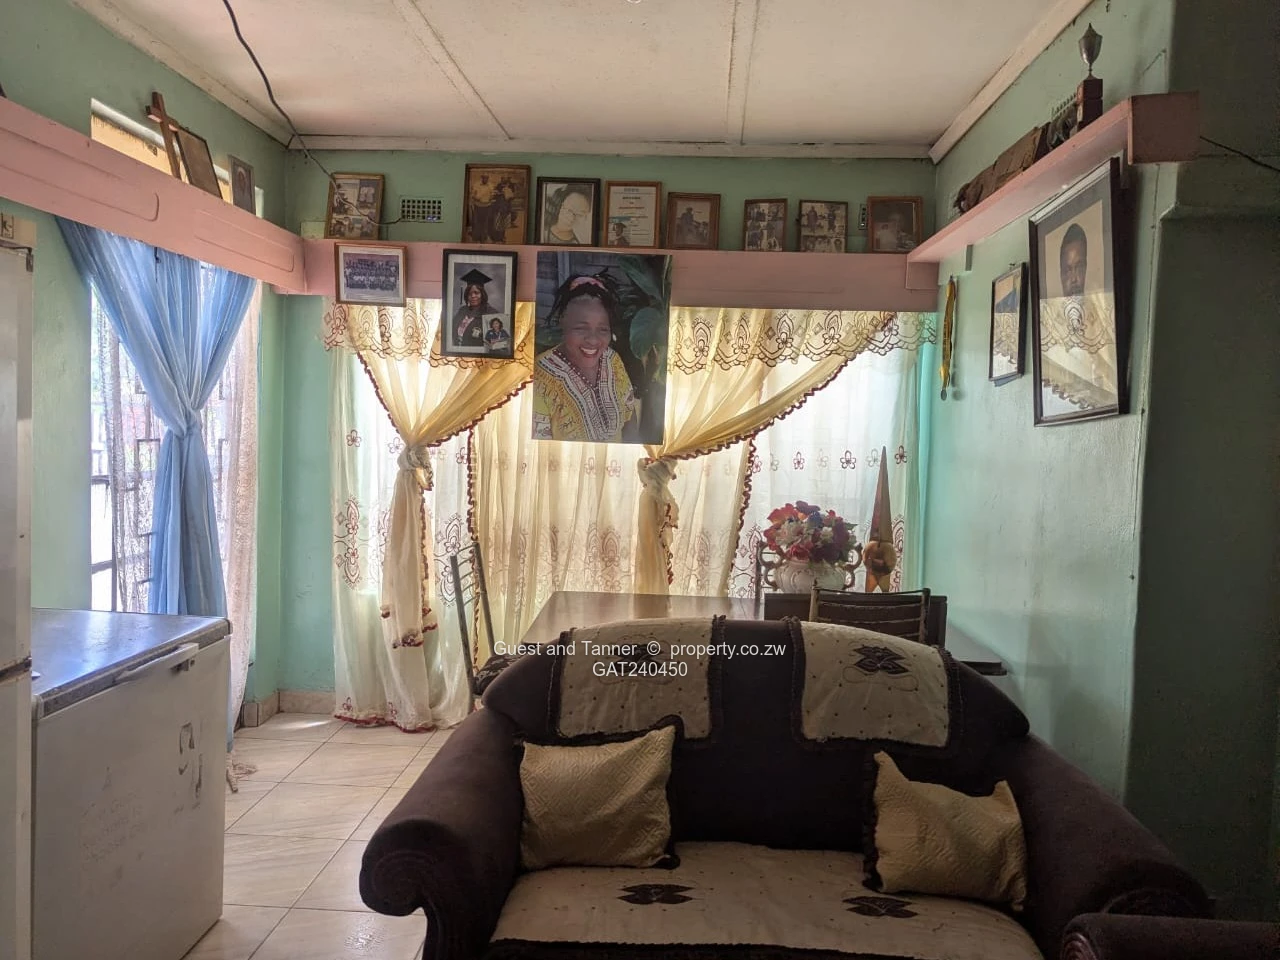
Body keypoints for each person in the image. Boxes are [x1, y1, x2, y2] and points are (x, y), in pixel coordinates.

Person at [533, 274, 638, 442]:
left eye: (603, 329)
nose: (593, 340)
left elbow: (629, 417)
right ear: (562, 322)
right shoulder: (539, 377)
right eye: (581, 328)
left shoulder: (612, 360)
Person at [1037, 222, 1117, 410]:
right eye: (1068, 270)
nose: (1073, 278)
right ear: (1061, 274)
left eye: (1079, 268)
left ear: (1087, 268)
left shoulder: (1103, 319)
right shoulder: (1049, 330)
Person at [450, 268, 508, 349]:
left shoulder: (491, 314)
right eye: (469, 293)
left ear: (482, 294)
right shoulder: (462, 311)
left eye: (476, 293)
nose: (473, 296)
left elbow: (499, 346)